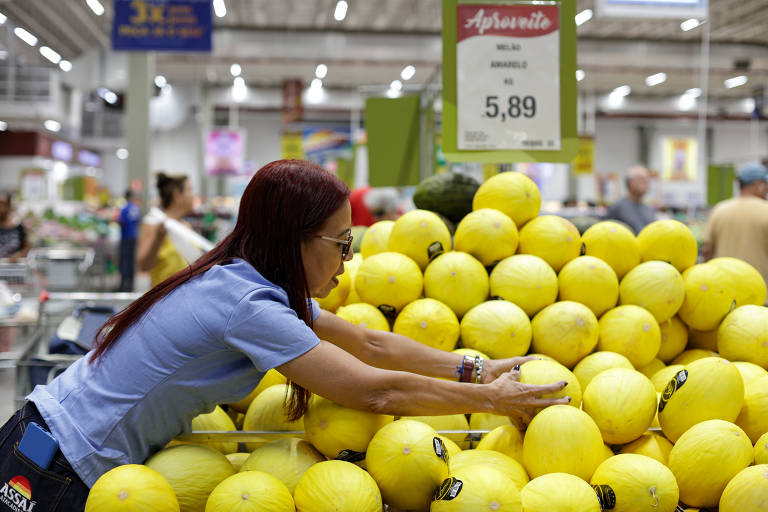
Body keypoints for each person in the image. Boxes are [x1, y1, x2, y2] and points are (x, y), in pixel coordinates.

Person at [1, 160, 567, 508]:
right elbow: (375, 392)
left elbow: (370, 343)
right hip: (54, 464)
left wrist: (475, 368)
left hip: (48, 443)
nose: (348, 259)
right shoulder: (247, 305)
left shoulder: (251, 283)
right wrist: (490, 400)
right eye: (341, 243)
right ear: (295, 240)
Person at [703, 163, 768, 286]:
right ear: (758, 185)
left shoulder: (720, 209)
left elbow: (708, 250)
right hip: (758, 289)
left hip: (723, 289)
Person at [136, 173, 195, 286]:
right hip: (163, 299)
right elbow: (144, 266)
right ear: (177, 194)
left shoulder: (185, 226)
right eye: (190, 190)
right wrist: (157, 240)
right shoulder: (154, 224)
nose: (193, 195)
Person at [604, 165, 656, 234]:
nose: (646, 183)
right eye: (642, 179)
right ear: (630, 182)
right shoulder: (618, 207)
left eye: (647, 180)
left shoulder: (649, 209)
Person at [117, 190, 141, 292]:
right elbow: (138, 221)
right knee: (131, 261)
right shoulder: (136, 208)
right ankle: (131, 283)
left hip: (125, 237)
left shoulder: (125, 208)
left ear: (126, 197)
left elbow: (121, 221)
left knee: (124, 260)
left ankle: (123, 283)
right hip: (133, 236)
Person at [0, 192, 30, 261]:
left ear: (9, 206)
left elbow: (27, 246)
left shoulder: (17, 226)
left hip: (12, 268)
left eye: (3, 204)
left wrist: (20, 254)